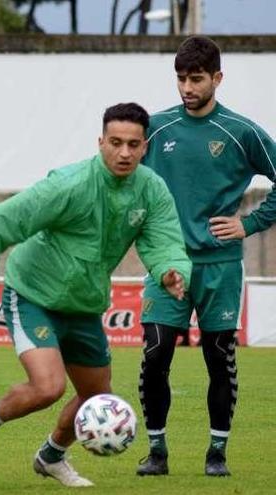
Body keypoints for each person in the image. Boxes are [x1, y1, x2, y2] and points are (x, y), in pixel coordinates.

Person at [0, 103, 191, 487]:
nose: (124, 153)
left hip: (84, 304)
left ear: (145, 147)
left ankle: (51, 456)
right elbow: (2, 219)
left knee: (96, 399)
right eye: (115, 143)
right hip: (33, 294)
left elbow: (165, 244)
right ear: (100, 142)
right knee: (48, 387)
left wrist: (172, 272)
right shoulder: (71, 184)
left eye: (133, 144)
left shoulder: (151, 190)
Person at [136, 36, 276, 478]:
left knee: (219, 359)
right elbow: (120, 179)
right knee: (156, 355)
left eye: (196, 78)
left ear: (217, 77)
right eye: (180, 79)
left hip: (220, 267)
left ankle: (217, 453)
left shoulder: (241, 131)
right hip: (168, 265)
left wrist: (249, 223)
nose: (187, 88)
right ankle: (156, 452)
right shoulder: (156, 128)